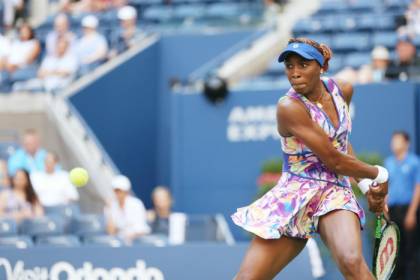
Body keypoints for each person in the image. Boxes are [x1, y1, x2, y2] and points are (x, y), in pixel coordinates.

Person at [231, 38, 389, 280]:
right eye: (289, 66)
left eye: (303, 65)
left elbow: (341, 145)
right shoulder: (288, 107)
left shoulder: (343, 90)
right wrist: (379, 175)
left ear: (322, 67)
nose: (294, 73)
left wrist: (366, 185)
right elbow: (334, 160)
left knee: (351, 262)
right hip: (295, 193)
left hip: (335, 190)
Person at [384, 131, 419, 280]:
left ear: (406, 143)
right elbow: (386, 188)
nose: (394, 143)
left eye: (397, 140)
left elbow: (418, 187)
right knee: (394, 251)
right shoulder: (388, 162)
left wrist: (411, 213)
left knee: (410, 251)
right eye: (393, 140)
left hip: (409, 210)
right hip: (392, 212)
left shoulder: (414, 162)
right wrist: (385, 210)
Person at [104, 175, 150, 244]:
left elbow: (141, 229)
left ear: (126, 191)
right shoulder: (110, 206)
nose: (117, 193)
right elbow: (111, 232)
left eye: (119, 191)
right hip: (119, 244)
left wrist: (128, 237)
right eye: (115, 191)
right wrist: (110, 210)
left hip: (137, 242)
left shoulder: (136, 204)